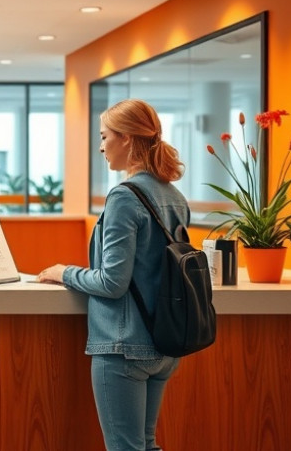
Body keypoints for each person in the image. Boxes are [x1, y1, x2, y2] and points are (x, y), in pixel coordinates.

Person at [35, 98, 188, 451]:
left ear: (128, 140)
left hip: (124, 346)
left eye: (105, 137)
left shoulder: (124, 196)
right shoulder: (174, 195)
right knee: (146, 445)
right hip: (163, 345)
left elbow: (112, 282)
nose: (101, 146)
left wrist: (64, 273)